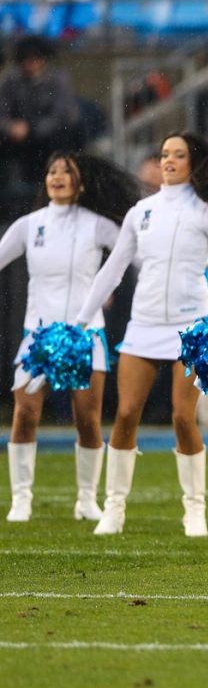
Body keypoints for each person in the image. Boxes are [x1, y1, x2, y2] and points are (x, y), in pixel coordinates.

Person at [75, 132, 208, 537]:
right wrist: (83, 316)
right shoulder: (141, 212)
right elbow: (113, 268)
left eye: (177, 155)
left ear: (194, 163)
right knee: (125, 415)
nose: (168, 161)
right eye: (163, 155)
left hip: (191, 327)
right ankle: (114, 508)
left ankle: (194, 509)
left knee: (182, 416)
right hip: (144, 324)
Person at [0, 153, 139, 522]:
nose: (57, 177)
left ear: (80, 183)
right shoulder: (29, 226)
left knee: (87, 419)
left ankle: (86, 499)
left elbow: (133, 254)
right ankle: (21, 499)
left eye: (66, 172)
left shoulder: (97, 225)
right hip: (39, 333)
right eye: (51, 171)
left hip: (85, 333)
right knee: (25, 412)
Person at [0, 36, 82, 204]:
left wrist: (32, 128)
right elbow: (3, 111)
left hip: (48, 140)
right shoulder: (11, 81)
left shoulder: (57, 80)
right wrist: (10, 127)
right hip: (17, 140)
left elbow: (65, 115)